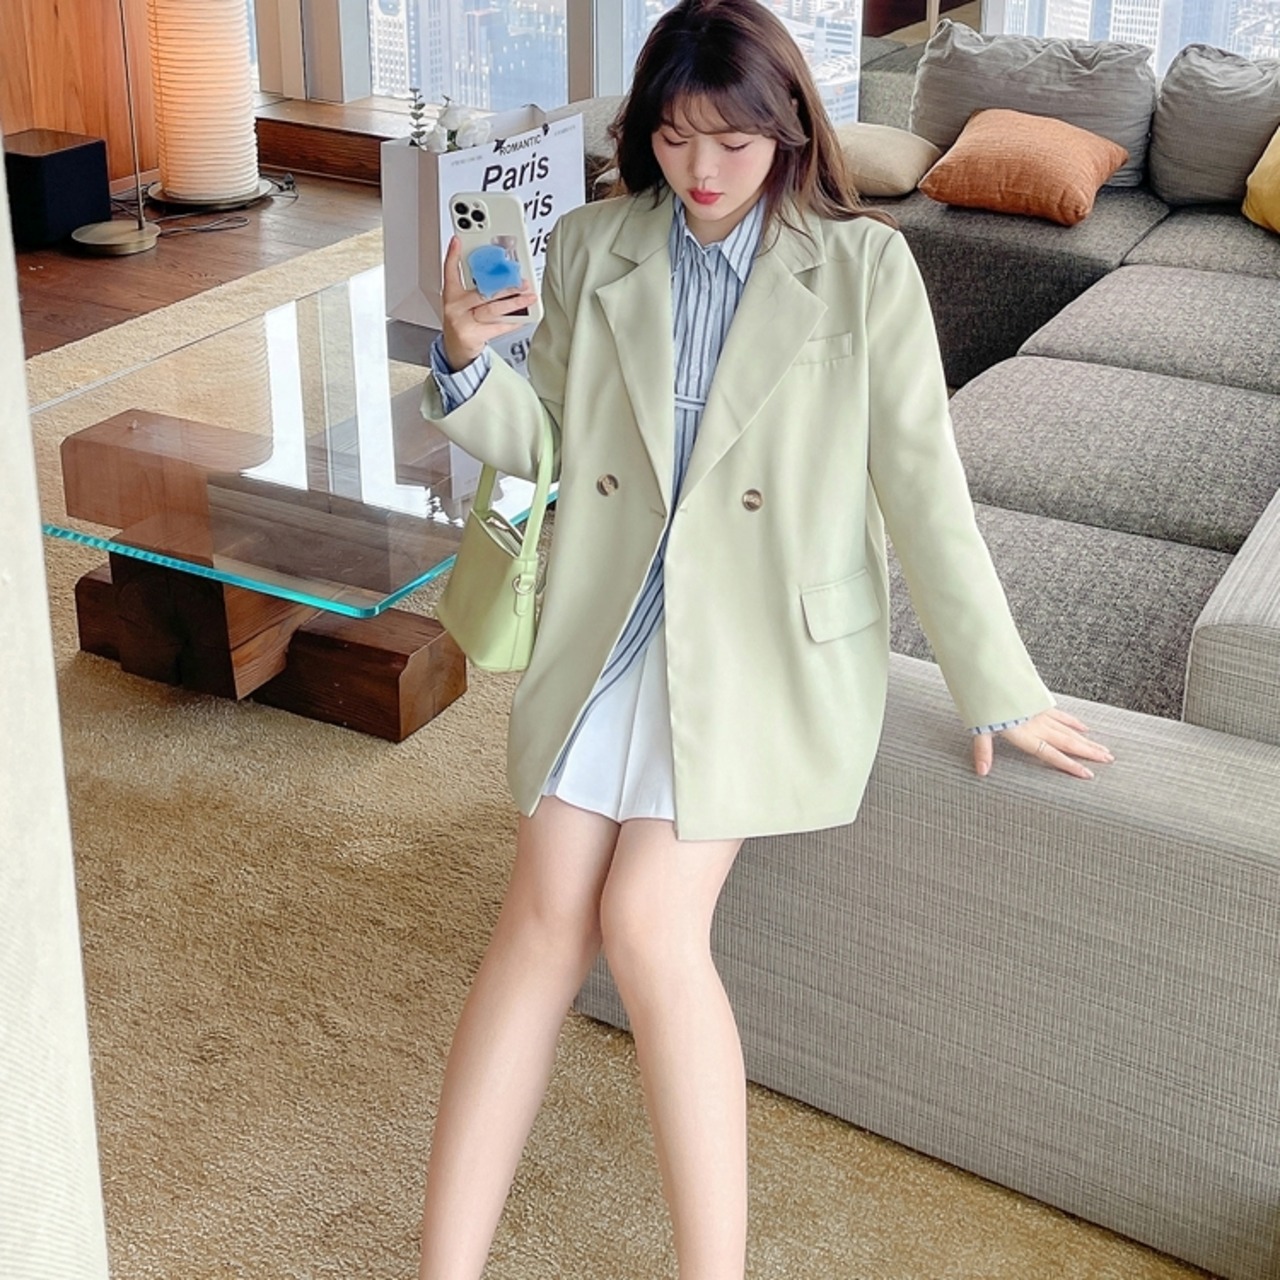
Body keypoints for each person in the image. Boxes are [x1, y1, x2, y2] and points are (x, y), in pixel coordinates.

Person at [415, 0, 1113, 1274]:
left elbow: (920, 483)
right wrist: (466, 363)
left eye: (731, 141)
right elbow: (547, 443)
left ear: (787, 126)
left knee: (645, 919)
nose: (702, 170)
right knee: (540, 911)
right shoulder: (593, 243)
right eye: (674, 138)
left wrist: (996, 684)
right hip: (615, 620)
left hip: (757, 641)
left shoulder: (860, 267)